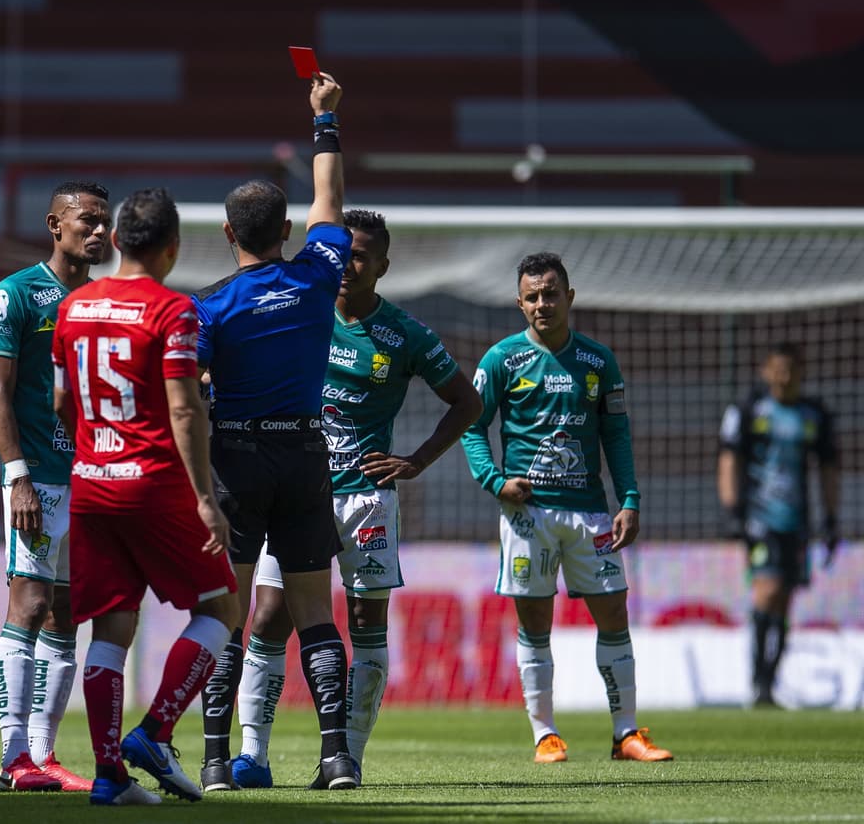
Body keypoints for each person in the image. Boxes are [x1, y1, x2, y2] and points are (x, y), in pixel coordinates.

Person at [227, 209, 483, 788]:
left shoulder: (405, 335)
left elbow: (468, 404)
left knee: (367, 624)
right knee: (267, 618)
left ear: (383, 266)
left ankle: (345, 759)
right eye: (342, 253)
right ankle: (252, 756)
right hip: (294, 492)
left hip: (366, 500)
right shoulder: (298, 312)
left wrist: (416, 460)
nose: (348, 264)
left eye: (361, 255)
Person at [194, 70, 359, 792]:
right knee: (316, 613)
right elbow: (331, 198)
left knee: (226, 615)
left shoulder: (208, 308)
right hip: (304, 452)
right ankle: (336, 757)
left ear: (228, 234)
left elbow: (188, 394)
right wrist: (324, 119)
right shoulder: (320, 275)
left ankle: (210, 760)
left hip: (235, 455)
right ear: (287, 231)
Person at [51, 187, 239, 806]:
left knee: (111, 629)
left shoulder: (74, 307)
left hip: (90, 485)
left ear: (121, 241)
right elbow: (185, 410)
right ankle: (155, 732)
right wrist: (206, 497)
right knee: (219, 609)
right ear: (171, 247)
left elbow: (60, 400)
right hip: (152, 484)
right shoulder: (172, 310)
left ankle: (109, 779)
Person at [460, 252, 673, 764]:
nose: (542, 304)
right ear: (519, 303)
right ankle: (545, 735)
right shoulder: (500, 360)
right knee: (535, 622)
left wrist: (630, 498)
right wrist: (493, 481)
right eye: (532, 296)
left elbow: (616, 434)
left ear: (569, 297)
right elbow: (471, 425)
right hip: (528, 515)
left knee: (614, 615)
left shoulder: (598, 361)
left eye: (550, 293)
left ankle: (626, 734)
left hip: (591, 514)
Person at [0, 181, 111, 792]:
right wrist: (18, 478)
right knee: (30, 605)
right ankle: (12, 759)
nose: (98, 231)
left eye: (103, 222)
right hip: (36, 481)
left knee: (66, 616)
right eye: (86, 220)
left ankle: (43, 754)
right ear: (53, 225)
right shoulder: (17, 294)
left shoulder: (100, 300)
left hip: (85, 481)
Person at [718, 343, 840, 707]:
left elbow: (829, 469)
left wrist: (831, 519)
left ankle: (770, 682)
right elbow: (729, 459)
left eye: (792, 369)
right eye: (778, 369)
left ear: (801, 372)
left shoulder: (814, 415)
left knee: (785, 598)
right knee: (767, 590)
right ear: (766, 371)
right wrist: (734, 511)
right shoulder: (750, 409)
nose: (784, 377)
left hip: (797, 521)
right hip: (759, 518)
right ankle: (757, 679)